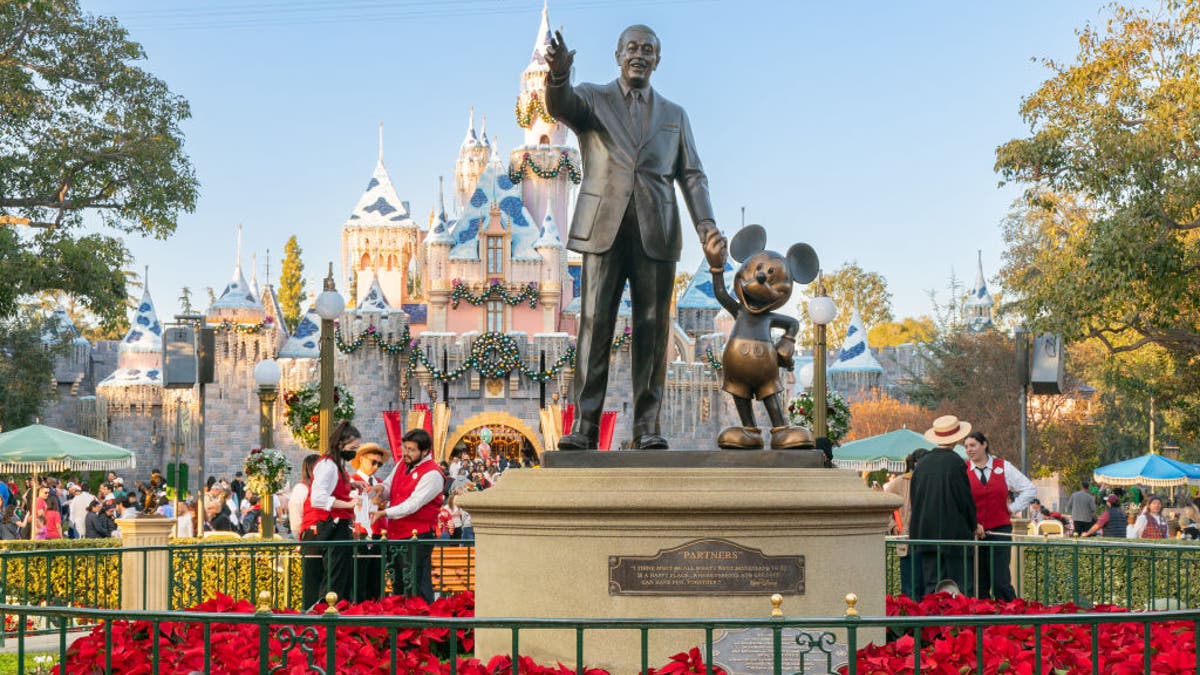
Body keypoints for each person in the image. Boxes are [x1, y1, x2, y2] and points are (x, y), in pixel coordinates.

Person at [545, 25, 726, 450]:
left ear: (658, 60)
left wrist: (706, 226)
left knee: (653, 329)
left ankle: (647, 427)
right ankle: (585, 427)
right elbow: (561, 105)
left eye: (648, 49)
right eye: (632, 48)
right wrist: (557, 76)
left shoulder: (674, 115)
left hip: (657, 232)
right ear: (617, 55)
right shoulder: (592, 97)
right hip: (602, 228)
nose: (639, 55)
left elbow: (693, 176)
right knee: (594, 325)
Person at [963, 430, 1036, 601]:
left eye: (973, 445)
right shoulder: (963, 470)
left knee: (1000, 579)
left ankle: (1010, 617)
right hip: (974, 532)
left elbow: (1029, 488)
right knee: (978, 580)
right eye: (966, 447)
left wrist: (1012, 508)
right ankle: (982, 619)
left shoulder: (1003, 466)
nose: (969, 450)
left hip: (1000, 530)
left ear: (984, 445)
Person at [910, 415, 978, 597]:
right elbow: (965, 500)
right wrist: (973, 524)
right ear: (956, 438)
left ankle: (931, 624)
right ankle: (959, 625)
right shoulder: (956, 463)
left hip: (926, 534)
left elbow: (915, 499)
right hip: (955, 535)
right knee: (962, 586)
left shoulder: (922, 463)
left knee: (932, 586)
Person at [300, 421, 362, 609]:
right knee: (333, 579)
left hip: (336, 526)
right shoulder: (328, 465)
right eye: (353, 447)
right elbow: (319, 498)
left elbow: (330, 490)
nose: (355, 451)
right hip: (331, 526)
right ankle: (325, 616)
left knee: (337, 577)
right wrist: (349, 503)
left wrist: (350, 486)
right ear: (340, 444)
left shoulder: (336, 465)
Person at [376, 429, 444, 602]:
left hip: (417, 536)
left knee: (416, 584)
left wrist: (385, 512)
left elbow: (413, 504)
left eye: (411, 450)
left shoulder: (433, 474)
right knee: (398, 584)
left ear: (425, 451)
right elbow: (389, 486)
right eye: (405, 448)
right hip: (396, 534)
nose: (406, 453)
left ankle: (420, 622)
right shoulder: (402, 464)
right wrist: (380, 490)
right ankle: (401, 622)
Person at [883, 448, 927, 599]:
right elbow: (883, 505)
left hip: (926, 540)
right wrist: (893, 525)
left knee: (925, 586)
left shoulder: (929, 481)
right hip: (907, 539)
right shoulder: (899, 482)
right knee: (910, 587)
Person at [349, 442, 388, 601]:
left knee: (377, 580)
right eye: (373, 462)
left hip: (379, 534)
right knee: (360, 580)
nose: (376, 466)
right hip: (361, 534)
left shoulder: (379, 482)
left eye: (379, 463)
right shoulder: (353, 481)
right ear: (362, 459)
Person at [289, 454, 320, 538]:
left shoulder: (328, 487)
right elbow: (295, 515)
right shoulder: (301, 488)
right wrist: (299, 535)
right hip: (311, 534)